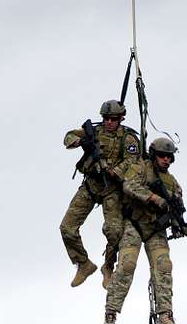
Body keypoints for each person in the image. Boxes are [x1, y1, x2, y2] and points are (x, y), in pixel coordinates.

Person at [103, 137, 187, 324]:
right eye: (162, 156)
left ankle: (165, 314)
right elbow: (129, 187)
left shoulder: (173, 183)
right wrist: (154, 198)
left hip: (156, 230)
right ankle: (111, 311)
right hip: (135, 224)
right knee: (127, 265)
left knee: (163, 266)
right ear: (153, 155)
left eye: (169, 157)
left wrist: (178, 224)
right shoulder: (141, 168)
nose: (166, 160)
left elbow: (177, 208)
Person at [60, 100, 141, 288]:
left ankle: (108, 266)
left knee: (114, 232)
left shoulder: (128, 139)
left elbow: (135, 163)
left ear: (121, 118)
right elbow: (68, 136)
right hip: (90, 185)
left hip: (112, 190)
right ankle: (83, 264)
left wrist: (115, 171)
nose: (109, 122)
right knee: (67, 227)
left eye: (113, 119)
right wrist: (81, 142)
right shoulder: (94, 132)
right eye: (106, 118)